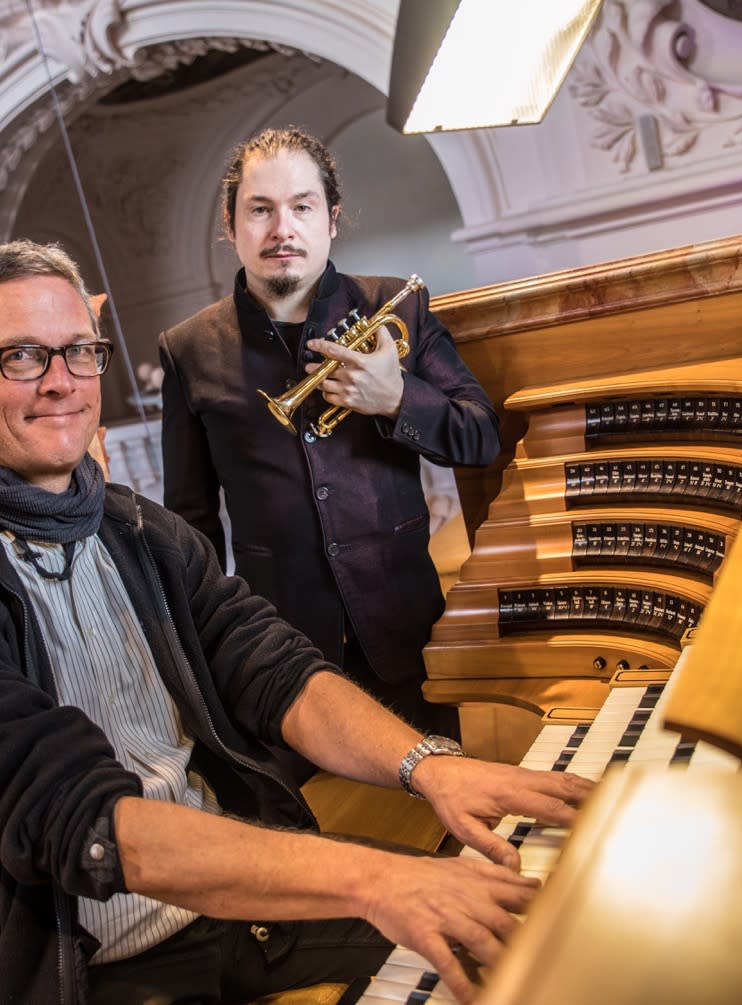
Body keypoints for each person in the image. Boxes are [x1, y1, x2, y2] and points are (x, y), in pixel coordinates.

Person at [0, 240, 590, 1005]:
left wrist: (429, 765)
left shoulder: (138, 530)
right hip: (89, 973)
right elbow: (88, 823)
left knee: (529, 942)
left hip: (238, 914)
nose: (61, 381)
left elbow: (271, 668)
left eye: (79, 351)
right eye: (22, 356)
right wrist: (375, 877)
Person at [158, 127, 500, 748]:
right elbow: (191, 523)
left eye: (301, 206)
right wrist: (208, 653)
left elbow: (480, 437)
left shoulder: (398, 305)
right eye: (260, 210)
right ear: (231, 227)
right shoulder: (187, 350)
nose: (281, 229)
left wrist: (396, 399)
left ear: (332, 219)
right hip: (277, 653)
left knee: (440, 792)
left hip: (405, 634)